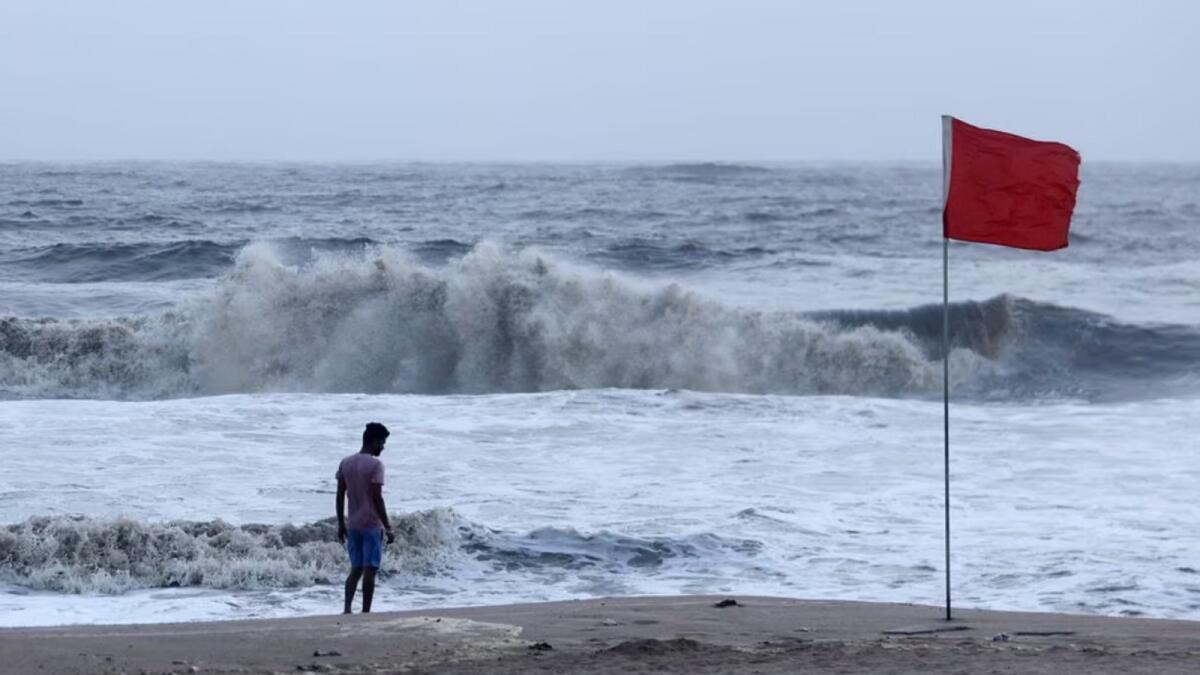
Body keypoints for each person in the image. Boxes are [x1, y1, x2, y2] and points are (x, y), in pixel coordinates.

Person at [335, 422, 395, 614]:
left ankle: (346, 609)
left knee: (355, 569)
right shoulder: (376, 465)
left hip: (353, 524)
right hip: (371, 523)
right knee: (370, 570)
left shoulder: (346, 462)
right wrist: (388, 526)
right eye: (382, 443)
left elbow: (339, 494)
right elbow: (377, 497)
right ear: (374, 441)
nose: (383, 447)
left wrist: (340, 523)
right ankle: (366, 611)